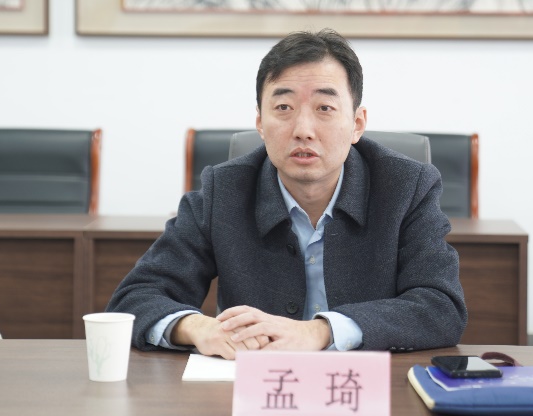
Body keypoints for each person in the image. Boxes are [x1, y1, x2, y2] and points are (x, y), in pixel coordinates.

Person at [107, 28, 467, 359]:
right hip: (255, 390)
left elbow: (441, 307)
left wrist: (320, 332)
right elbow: (134, 298)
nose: (303, 129)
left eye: (324, 108)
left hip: (362, 390)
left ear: (357, 124)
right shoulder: (224, 192)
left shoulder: (406, 187)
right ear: (260, 123)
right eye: (283, 108)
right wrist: (198, 327)